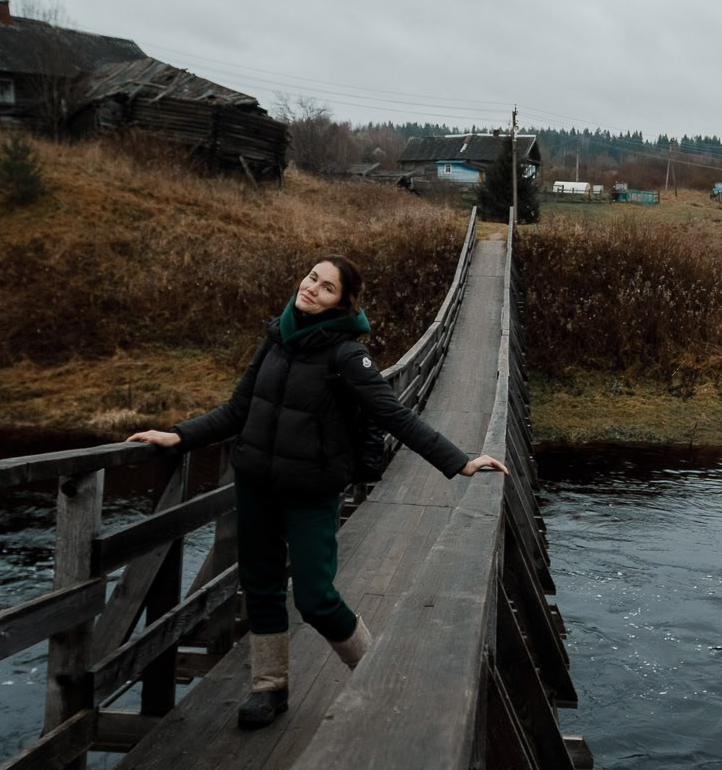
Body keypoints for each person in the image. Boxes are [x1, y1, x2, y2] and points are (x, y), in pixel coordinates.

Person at [128, 256, 507, 729]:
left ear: (342, 304)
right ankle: (269, 688)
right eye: (311, 278)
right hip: (256, 486)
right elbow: (237, 410)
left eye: (327, 287)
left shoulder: (346, 356)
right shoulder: (276, 339)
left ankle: (375, 676)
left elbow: (394, 414)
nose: (312, 288)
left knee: (315, 597)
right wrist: (178, 435)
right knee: (261, 586)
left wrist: (460, 461)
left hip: (311, 493)